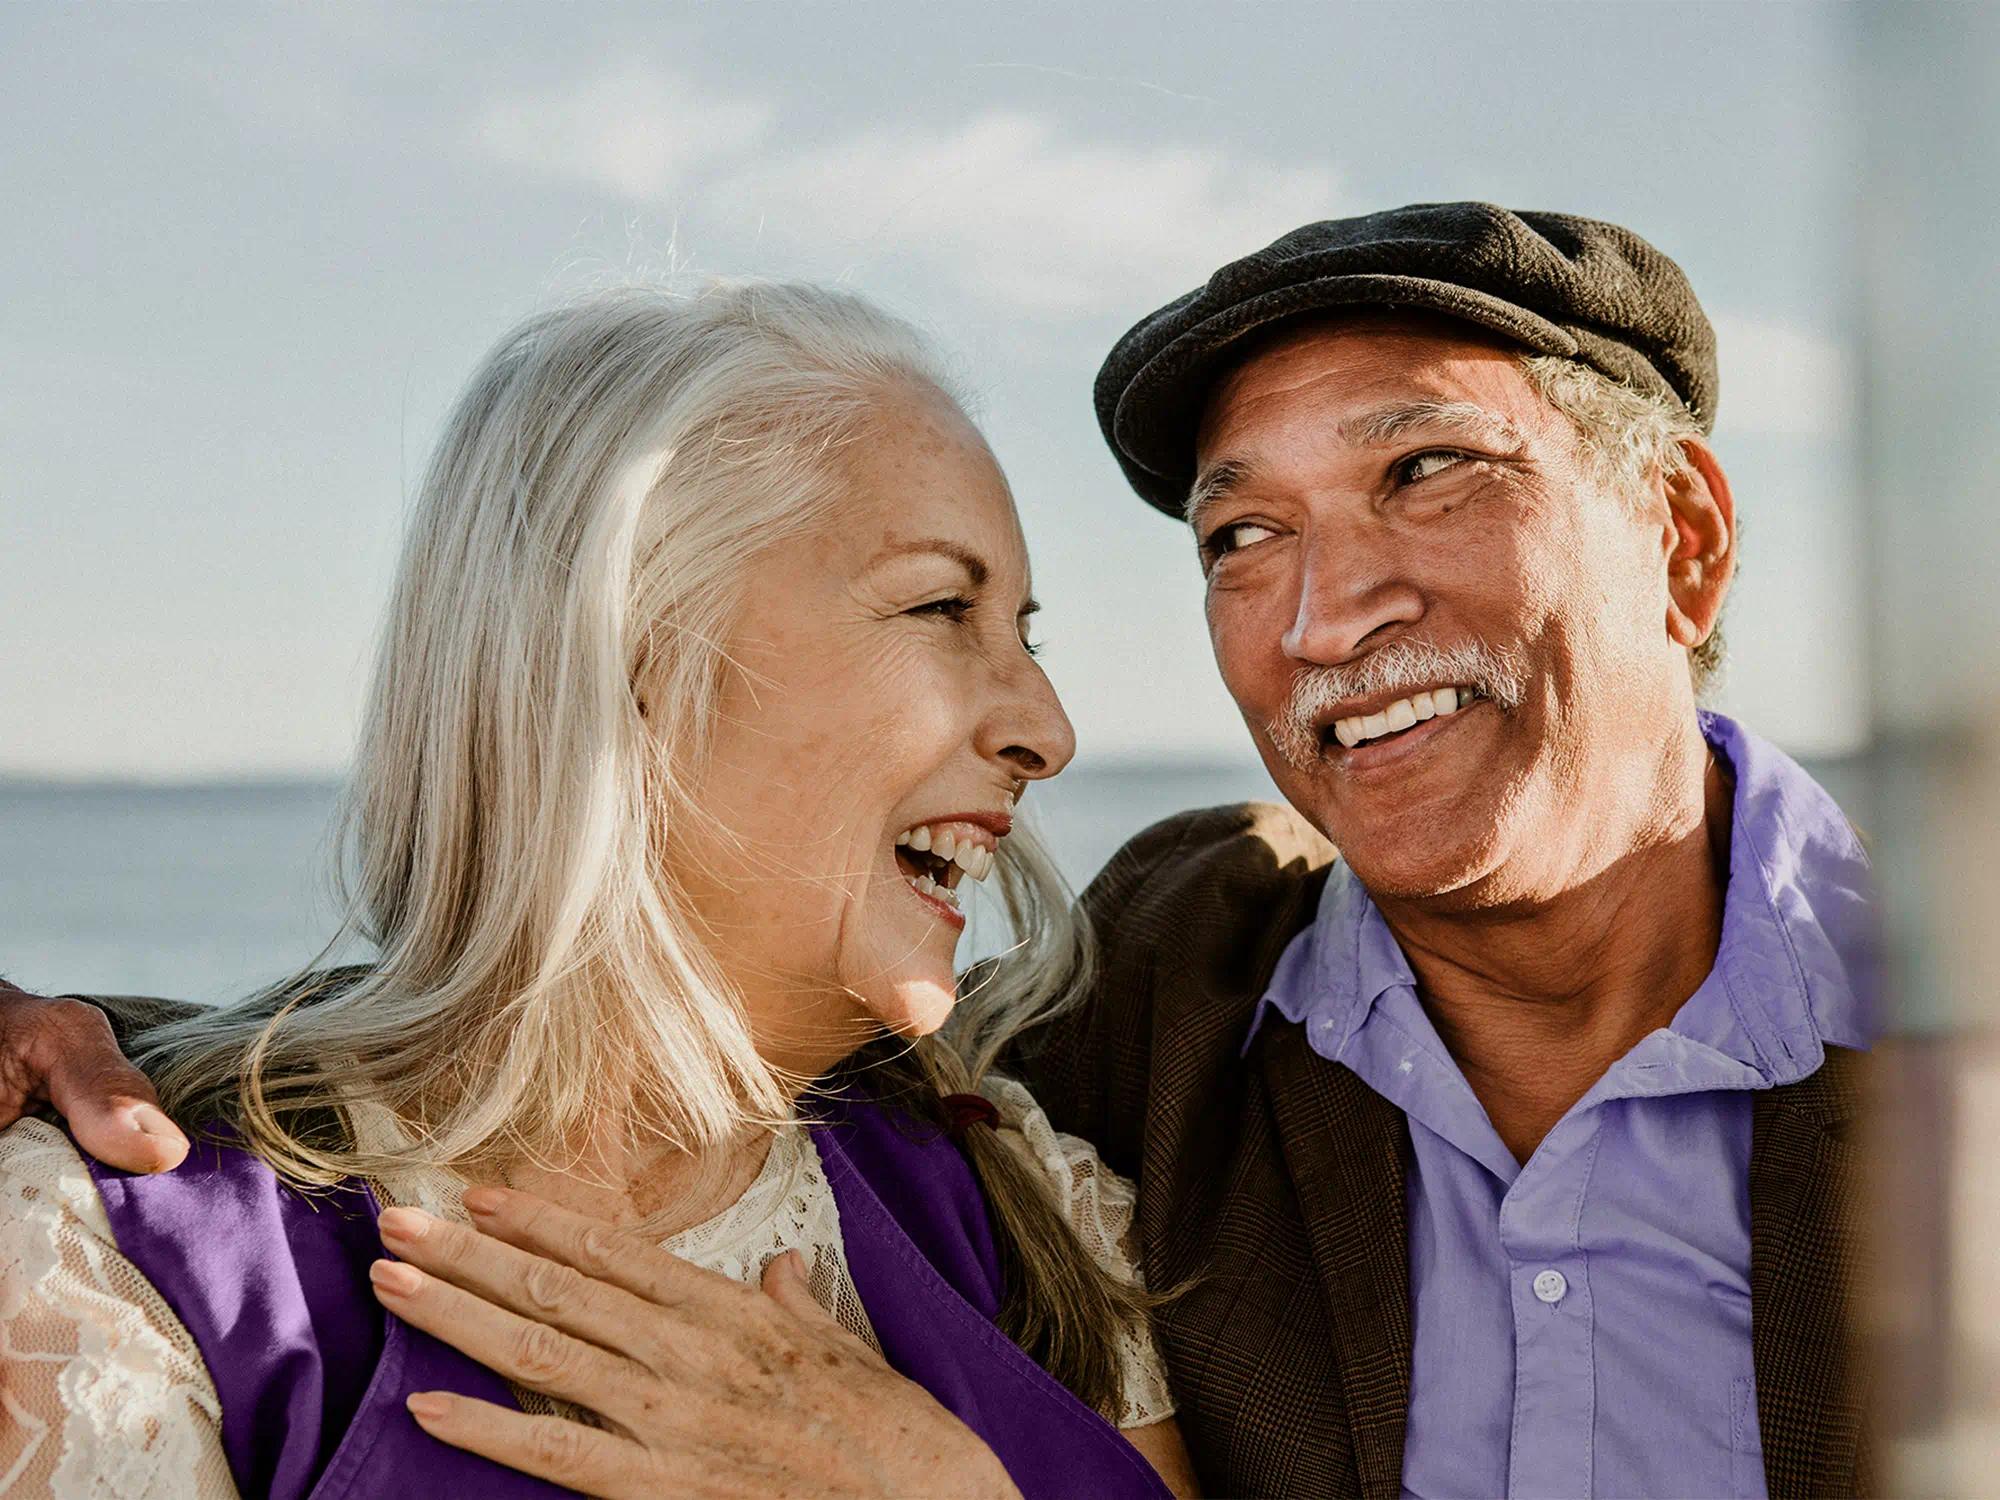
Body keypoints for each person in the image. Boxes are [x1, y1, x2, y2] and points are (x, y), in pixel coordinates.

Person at [2, 203, 1876, 1499]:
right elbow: (494, 1055)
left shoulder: (1042, 1196)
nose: (1328, 608)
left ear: (1688, 543)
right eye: (1240, 535)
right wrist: (90, 1061)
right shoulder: (1133, 1060)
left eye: (1425, 470)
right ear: (633, 671)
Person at [0, 282, 1196, 1500]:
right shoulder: (110, 1263)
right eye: (942, 606)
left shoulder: (1031, 1207)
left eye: (1024, 633)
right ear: (632, 655)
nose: (1046, 729)